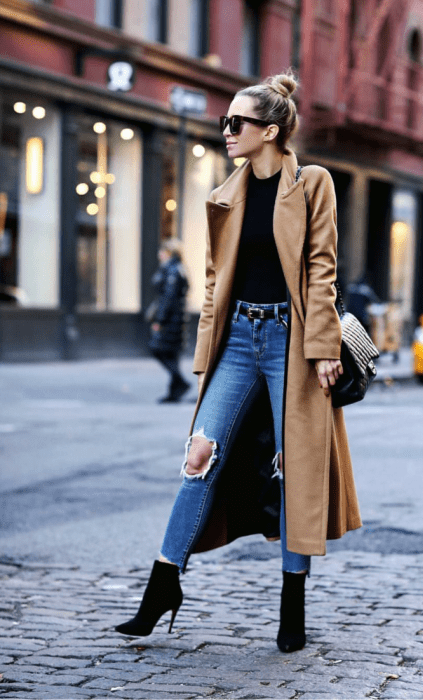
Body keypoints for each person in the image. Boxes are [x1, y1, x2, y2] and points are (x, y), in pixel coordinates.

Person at [114, 70, 362, 653]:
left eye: (236, 122)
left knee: (296, 467)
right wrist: (206, 349)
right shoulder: (224, 194)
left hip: (291, 340)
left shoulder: (312, 183)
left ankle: (292, 606)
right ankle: (162, 586)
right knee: (199, 455)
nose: (226, 131)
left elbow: (322, 267)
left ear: (270, 131)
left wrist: (324, 346)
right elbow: (212, 280)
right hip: (238, 339)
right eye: (226, 122)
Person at [148, 239, 190, 403]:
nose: (159, 254)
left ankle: (179, 382)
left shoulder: (172, 270)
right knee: (171, 354)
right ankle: (175, 390)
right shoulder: (178, 269)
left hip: (171, 320)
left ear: (169, 253)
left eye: (162, 251)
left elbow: (168, 298)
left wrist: (160, 320)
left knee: (158, 349)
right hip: (177, 318)